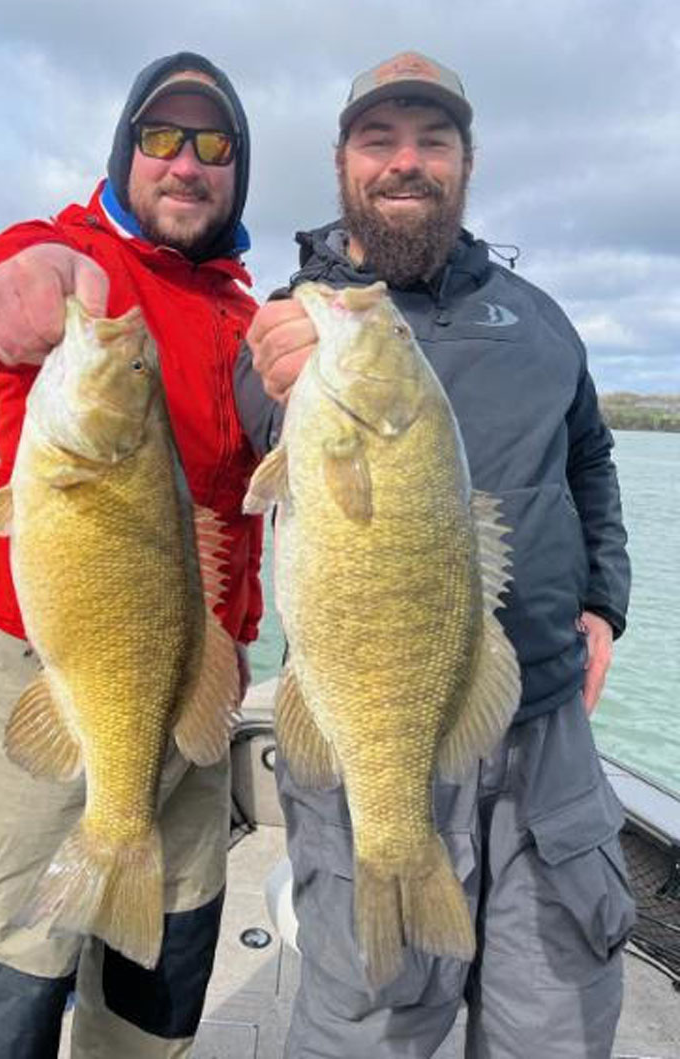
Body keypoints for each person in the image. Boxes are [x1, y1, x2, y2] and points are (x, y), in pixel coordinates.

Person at [235, 51, 635, 1059]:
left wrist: (605, 604)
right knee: (369, 1016)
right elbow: (247, 423)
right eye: (379, 140)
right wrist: (276, 372)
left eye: (433, 140)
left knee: (558, 1022)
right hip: (366, 716)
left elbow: (590, 460)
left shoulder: (539, 316)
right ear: (341, 163)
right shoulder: (299, 320)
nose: (406, 162)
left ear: (466, 160)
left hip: (545, 730)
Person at [0, 51, 263, 1059]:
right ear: (124, 154)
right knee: (6, 953)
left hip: (197, 679)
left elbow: (243, 511)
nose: (185, 163)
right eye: (159, 138)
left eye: (213, 144)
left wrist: (233, 641)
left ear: (238, 172)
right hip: (59, 663)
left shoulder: (246, 315)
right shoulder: (78, 262)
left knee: (170, 942)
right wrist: (30, 279)